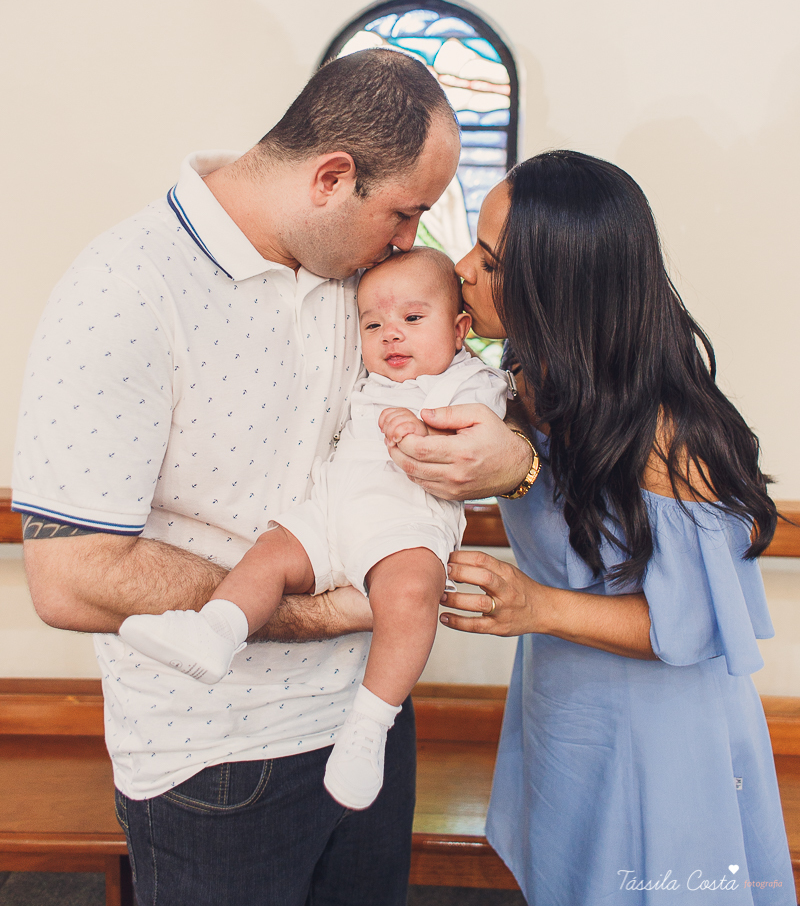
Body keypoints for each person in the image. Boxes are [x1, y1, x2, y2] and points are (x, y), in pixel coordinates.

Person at [14, 47, 533, 906]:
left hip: (371, 720)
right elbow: (68, 581)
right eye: (405, 214)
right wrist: (323, 614)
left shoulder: (365, 279)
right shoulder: (123, 291)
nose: (411, 243)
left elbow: (471, 392)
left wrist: (518, 462)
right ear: (331, 177)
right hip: (215, 761)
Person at [396, 150, 793, 905]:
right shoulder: (525, 380)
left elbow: (705, 623)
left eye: (490, 260)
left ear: (559, 286)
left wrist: (533, 605)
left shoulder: (669, 434)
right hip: (564, 701)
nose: (465, 271)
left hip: (659, 730)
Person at [119, 246, 510, 810]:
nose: (391, 336)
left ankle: (369, 725)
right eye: (374, 324)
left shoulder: (471, 383)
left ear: (460, 330)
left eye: (412, 320)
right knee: (271, 553)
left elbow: (478, 451)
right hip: (330, 510)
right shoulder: (368, 377)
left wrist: (420, 434)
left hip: (405, 523)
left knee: (409, 595)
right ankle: (216, 631)